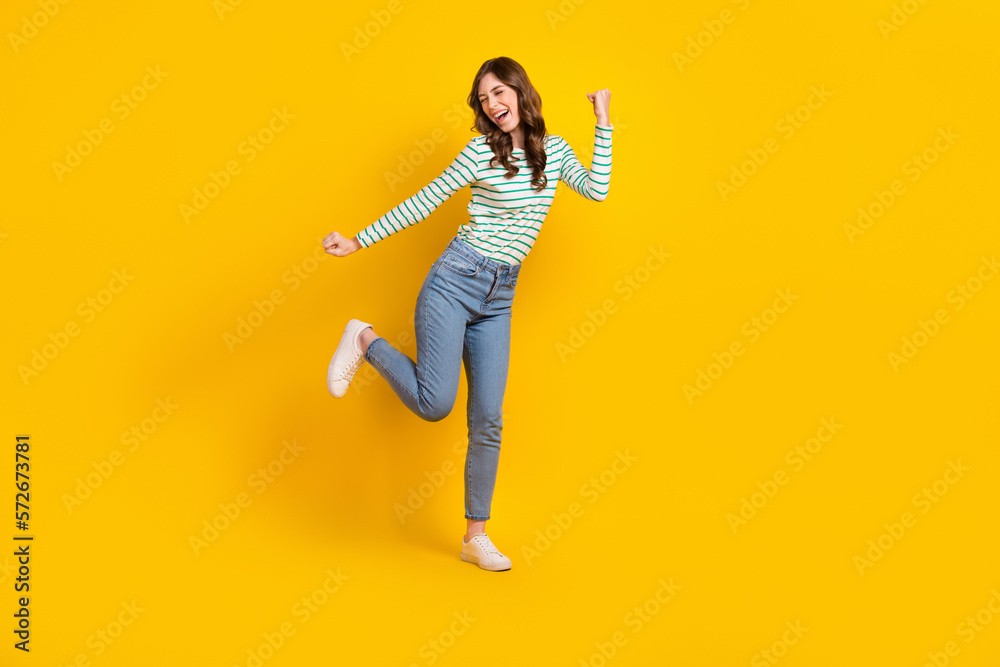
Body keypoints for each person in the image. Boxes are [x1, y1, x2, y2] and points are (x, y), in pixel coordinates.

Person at [322, 56, 612, 571]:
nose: (494, 105)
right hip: (455, 281)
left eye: (500, 92)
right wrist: (358, 239)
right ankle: (363, 338)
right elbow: (426, 200)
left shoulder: (555, 153)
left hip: (500, 297)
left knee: (488, 418)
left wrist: (603, 124)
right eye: (484, 99)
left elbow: (598, 188)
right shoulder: (480, 153)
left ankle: (475, 536)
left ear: (521, 92)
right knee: (436, 405)